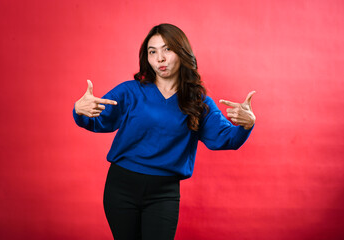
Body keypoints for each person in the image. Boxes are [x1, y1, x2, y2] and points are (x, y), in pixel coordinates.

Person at [73, 23, 255, 240]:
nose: (160, 58)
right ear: (147, 58)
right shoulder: (130, 91)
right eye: (153, 52)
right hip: (121, 188)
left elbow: (226, 138)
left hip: (164, 193)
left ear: (182, 52)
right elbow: (98, 121)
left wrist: (247, 124)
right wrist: (79, 111)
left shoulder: (198, 102)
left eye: (167, 49)